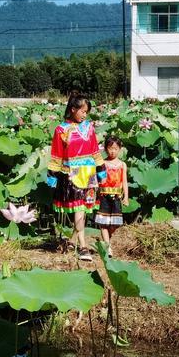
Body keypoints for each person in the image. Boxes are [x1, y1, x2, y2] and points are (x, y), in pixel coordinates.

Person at [47, 94, 106, 261]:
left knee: (84, 209)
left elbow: (95, 151)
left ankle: (71, 241)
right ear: (73, 110)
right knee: (79, 209)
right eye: (82, 111)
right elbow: (57, 154)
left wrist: (101, 170)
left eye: (86, 112)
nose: (84, 115)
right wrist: (52, 175)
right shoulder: (61, 130)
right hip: (71, 174)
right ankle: (83, 247)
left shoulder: (89, 127)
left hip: (88, 173)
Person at [95, 135, 129, 258]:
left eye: (115, 148)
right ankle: (108, 247)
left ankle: (106, 241)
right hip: (104, 195)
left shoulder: (122, 165)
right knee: (103, 223)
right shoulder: (103, 163)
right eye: (110, 148)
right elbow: (98, 179)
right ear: (105, 149)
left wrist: (126, 197)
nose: (112, 151)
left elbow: (124, 181)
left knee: (114, 224)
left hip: (116, 196)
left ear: (120, 149)